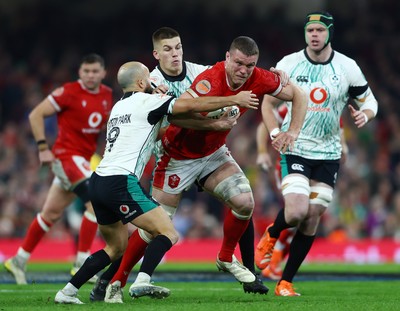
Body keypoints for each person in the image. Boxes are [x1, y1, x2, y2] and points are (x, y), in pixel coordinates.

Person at [54, 61, 259, 304]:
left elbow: (157, 127)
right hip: (121, 181)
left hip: (98, 181)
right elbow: (190, 105)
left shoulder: (119, 107)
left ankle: (67, 291)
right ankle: (142, 280)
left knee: (115, 248)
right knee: (168, 232)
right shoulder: (148, 102)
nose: (153, 83)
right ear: (141, 83)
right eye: (149, 80)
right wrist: (233, 99)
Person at [141, 36, 304, 292]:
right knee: (155, 227)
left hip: (212, 154)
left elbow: (298, 94)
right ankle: (116, 279)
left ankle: (233, 262)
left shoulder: (197, 69)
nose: (175, 54)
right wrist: (229, 105)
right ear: (156, 54)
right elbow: (173, 114)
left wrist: (292, 129)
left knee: (244, 202)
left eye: (179, 48)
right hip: (175, 156)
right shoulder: (151, 82)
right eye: (168, 49)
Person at [255, 11, 378, 296]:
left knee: (312, 217)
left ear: (329, 33)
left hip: (329, 153)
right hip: (296, 149)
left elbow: (369, 100)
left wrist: (366, 115)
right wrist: (275, 134)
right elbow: (268, 103)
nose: (313, 35)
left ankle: (285, 282)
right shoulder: (289, 63)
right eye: (309, 30)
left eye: (319, 30)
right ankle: (273, 233)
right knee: (297, 211)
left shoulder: (347, 67)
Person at [4, 53, 113, 285]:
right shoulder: (68, 92)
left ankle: (19, 260)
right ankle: (83, 262)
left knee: (50, 215)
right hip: (66, 157)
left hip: (83, 159)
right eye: (86, 71)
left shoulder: (106, 95)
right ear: (80, 73)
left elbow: (101, 126)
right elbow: (36, 114)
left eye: (95, 71)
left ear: (103, 73)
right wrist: (43, 147)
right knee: (95, 204)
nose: (90, 75)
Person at [255, 105, 348, 280]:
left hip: (319, 166)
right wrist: (262, 152)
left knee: (308, 217)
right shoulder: (294, 106)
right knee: (298, 212)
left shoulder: (331, 108)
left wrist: (343, 147)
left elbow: (339, 130)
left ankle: (277, 264)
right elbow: (263, 126)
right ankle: (274, 252)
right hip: (290, 165)